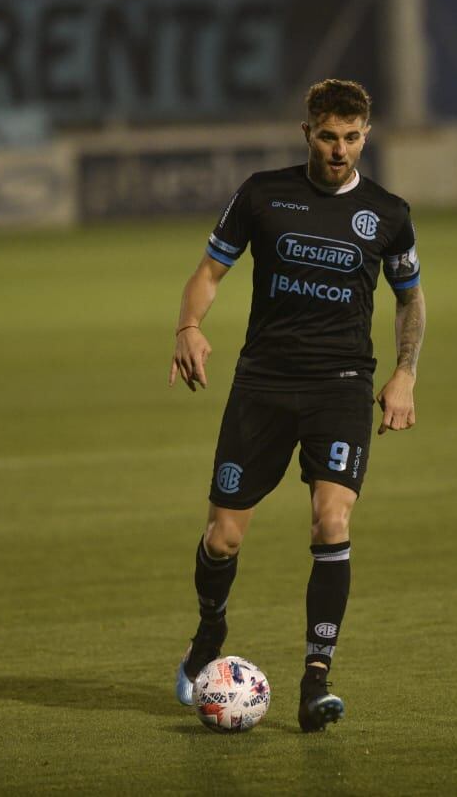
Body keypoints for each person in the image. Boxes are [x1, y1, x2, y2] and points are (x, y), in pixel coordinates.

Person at [169, 79, 426, 732]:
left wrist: (405, 374)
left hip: (341, 385)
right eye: (328, 136)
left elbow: (410, 298)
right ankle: (209, 632)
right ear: (306, 132)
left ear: (366, 135)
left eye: (351, 137)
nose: (339, 149)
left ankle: (317, 680)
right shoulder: (262, 194)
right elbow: (207, 274)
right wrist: (189, 327)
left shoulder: (389, 213)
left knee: (331, 523)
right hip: (262, 384)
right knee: (223, 536)